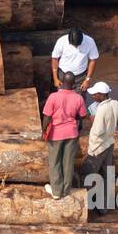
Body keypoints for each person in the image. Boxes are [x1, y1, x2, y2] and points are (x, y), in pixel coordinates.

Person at [41, 71, 87, 200]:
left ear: (61, 81)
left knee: (55, 162)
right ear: (73, 84)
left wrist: (44, 131)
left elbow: (47, 117)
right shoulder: (78, 98)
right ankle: (66, 190)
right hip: (72, 133)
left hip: (56, 134)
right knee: (68, 162)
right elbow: (83, 115)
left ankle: (56, 191)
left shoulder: (53, 97)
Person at [81, 82, 118, 215]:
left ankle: (86, 204)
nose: (93, 96)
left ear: (101, 95)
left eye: (95, 94)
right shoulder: (116, 104)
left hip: (98, 147)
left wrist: (91, 149)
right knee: (107, 175)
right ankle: (103, 206)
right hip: (109, 144)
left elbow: (98, 131)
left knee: (87, 175)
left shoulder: (100, 109)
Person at [51, 28, 100, 93]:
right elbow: (55, 58)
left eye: (77, 45)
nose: (75, 47)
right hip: (63, 75)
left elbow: (93, 60)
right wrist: (55, 79)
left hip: (80, 77)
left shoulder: (90, 42)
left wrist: (87, 79)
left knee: (79, 98)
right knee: (63, 96)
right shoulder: (61, 41)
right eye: (73, 45)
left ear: (82, 39)